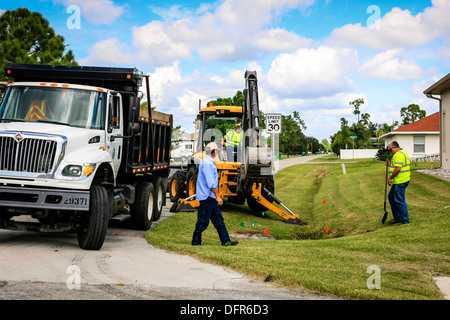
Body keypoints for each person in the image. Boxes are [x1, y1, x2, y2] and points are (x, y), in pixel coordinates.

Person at [192, 142, 238, 246]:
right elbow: (210, 183)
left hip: (210, 197)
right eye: (216, 150)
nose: (217, 152)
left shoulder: (209, 162)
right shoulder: (207, 163)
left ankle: (226, 241)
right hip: (207, 197)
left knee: (219, 221)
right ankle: (195, 242)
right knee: (203, 221)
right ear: (213, 152)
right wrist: (218, 196)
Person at [386, 141, 411, 225]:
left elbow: (398, 169)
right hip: (399, 181)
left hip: (401, 181)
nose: (390, 151)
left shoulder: (399, 154)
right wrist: (389, 164)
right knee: (391, 197)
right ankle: (397, 217)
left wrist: (390, 177)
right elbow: (395, 166)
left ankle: (405, 221)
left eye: (391, 149)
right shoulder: (399, 154)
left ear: (396, 147)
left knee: (399, 200)